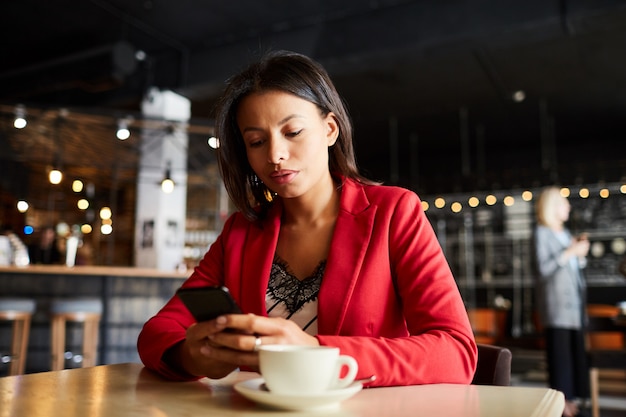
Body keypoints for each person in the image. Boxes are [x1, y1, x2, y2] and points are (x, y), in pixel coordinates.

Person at [137, 50, 477, 386]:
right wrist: (192, 357)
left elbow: (456, 351)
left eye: (293, 132)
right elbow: (157, 332)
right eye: (256, 141)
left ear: (330, 129)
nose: (275, 155)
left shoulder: (393, 213)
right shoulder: (241, 231)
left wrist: (316, 351)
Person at [533, 186, 590, 417]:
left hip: (575, 308)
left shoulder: (565, 233)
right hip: (556, 307)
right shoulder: (542, 233)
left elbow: (572, 268)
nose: (568, 207)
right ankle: (561, 404)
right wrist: (570, 252)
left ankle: (572, 400)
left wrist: (578, 255)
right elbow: (543, 269)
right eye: (564, 203)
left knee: (574, 355)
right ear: (552, 207)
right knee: (560, 357)